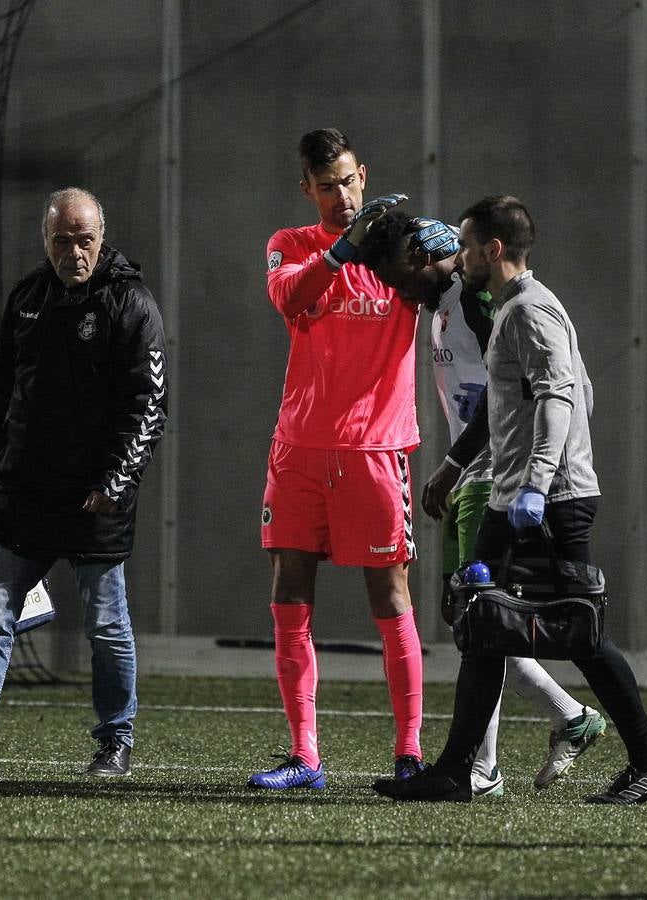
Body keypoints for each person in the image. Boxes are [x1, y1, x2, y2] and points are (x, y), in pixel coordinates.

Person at [373, 196, 647, 804]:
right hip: (513, 495)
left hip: (549, 500)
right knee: (480, 621)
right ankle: (459, 769)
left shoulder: (531, 310)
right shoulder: (514, 309)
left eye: (465, 246)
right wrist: (462, 467)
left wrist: (538, 483)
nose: (458, 258)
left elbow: (564, 397)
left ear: (494, 250)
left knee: (583, 635)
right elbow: (513, 402)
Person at [0, 187, 167, 778]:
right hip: (23, 490)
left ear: (102, 235)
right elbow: (2, 391)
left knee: (106, 624)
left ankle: (115, 743)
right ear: (45, 239)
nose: (74, 252)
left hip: (97, 496)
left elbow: (148, 408)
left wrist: (115, 480)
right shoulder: (27, 298)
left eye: (85, 240)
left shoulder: (132, 304)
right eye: (62, 240)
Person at [252, 128, 425, 790]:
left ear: (364, 174)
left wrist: (446, 249)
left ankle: (407, 754)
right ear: (308, 190)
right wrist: (338, 254)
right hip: (298, 449)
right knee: (289, 592)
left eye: (348, 181)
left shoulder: (394, 247)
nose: (341, 195)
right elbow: (289, 300)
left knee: (389, 593)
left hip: (375, 451)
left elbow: (441, 284)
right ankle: (305, 757)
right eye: (326, 186)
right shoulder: (290, 245)